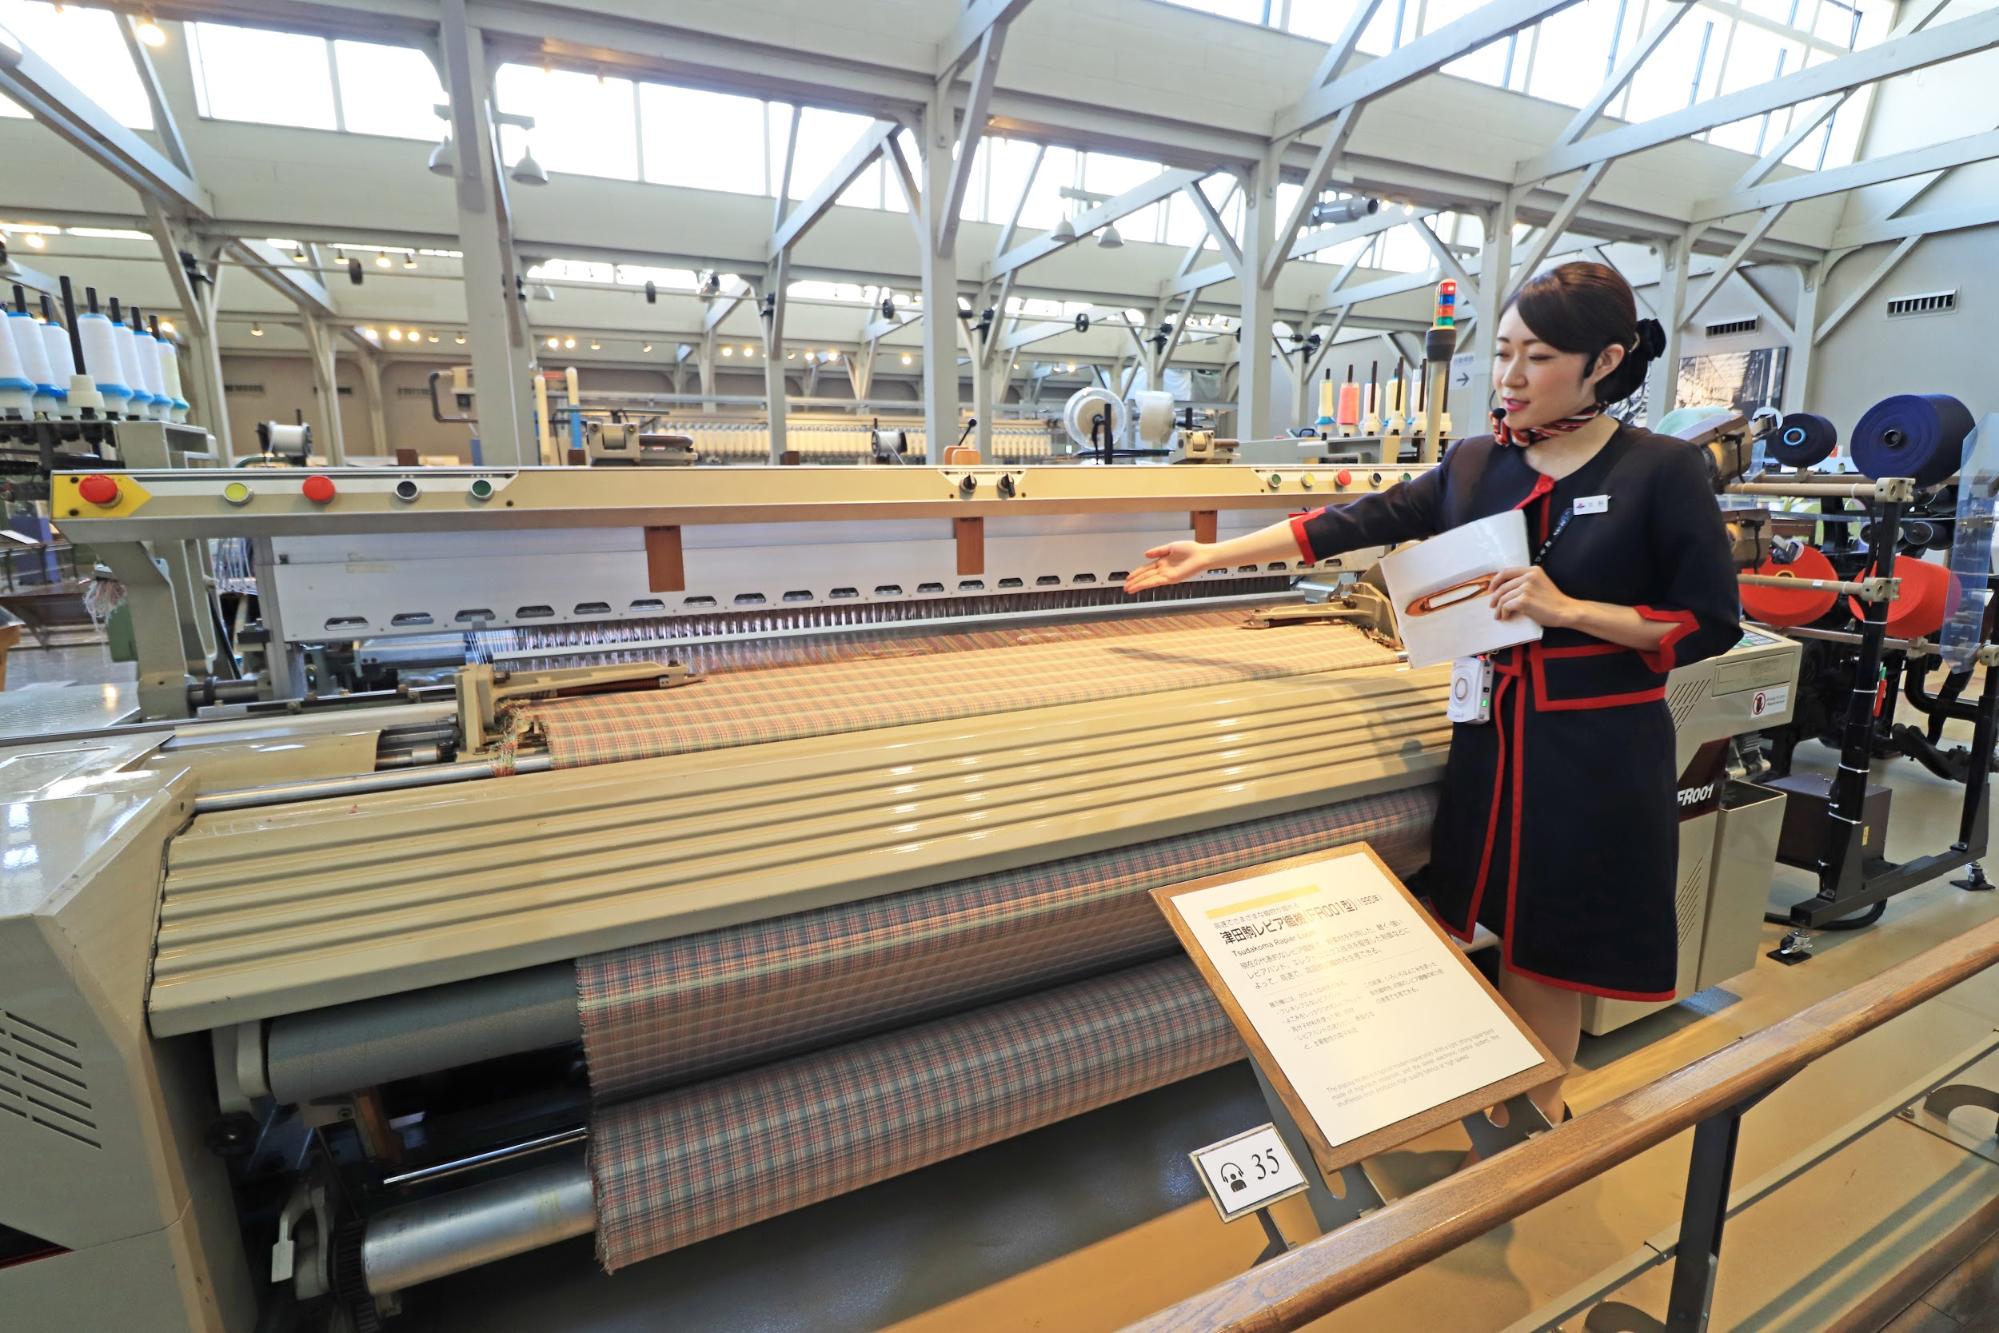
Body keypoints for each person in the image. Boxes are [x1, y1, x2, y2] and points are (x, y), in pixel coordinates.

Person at [1124, 261, 1740, 1126]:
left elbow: (1708, 624)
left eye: (1537, 357)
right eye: (1502, 353)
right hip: (1491, 736)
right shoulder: (1477, 463)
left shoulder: (1662, 471)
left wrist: (1571, 610)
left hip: (1593, 758)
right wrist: (1209, 555)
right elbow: (1354, 521)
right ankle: (1493, 1094)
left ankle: (1536, 1117)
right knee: (1479, 919)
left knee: (1548, 949)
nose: (1510, 377)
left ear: (1602, 361)